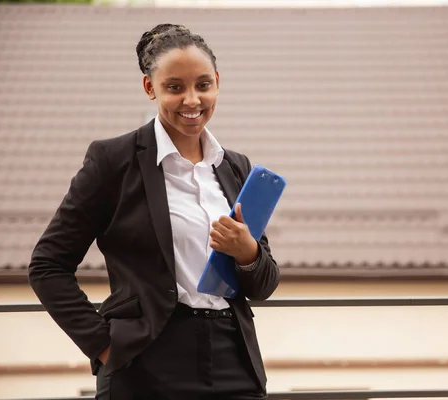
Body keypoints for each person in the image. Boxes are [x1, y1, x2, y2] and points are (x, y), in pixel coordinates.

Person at [28, 23, 279, 400]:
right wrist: (103, 346)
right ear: (150, 88)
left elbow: (264, 284)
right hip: (145, 361)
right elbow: (47, 265)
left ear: (217, 83)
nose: (192, 100)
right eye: (175, 87)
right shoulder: (113, 162)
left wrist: (248, 254)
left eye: (203, 85)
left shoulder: (235, 167)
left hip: (234, 361)